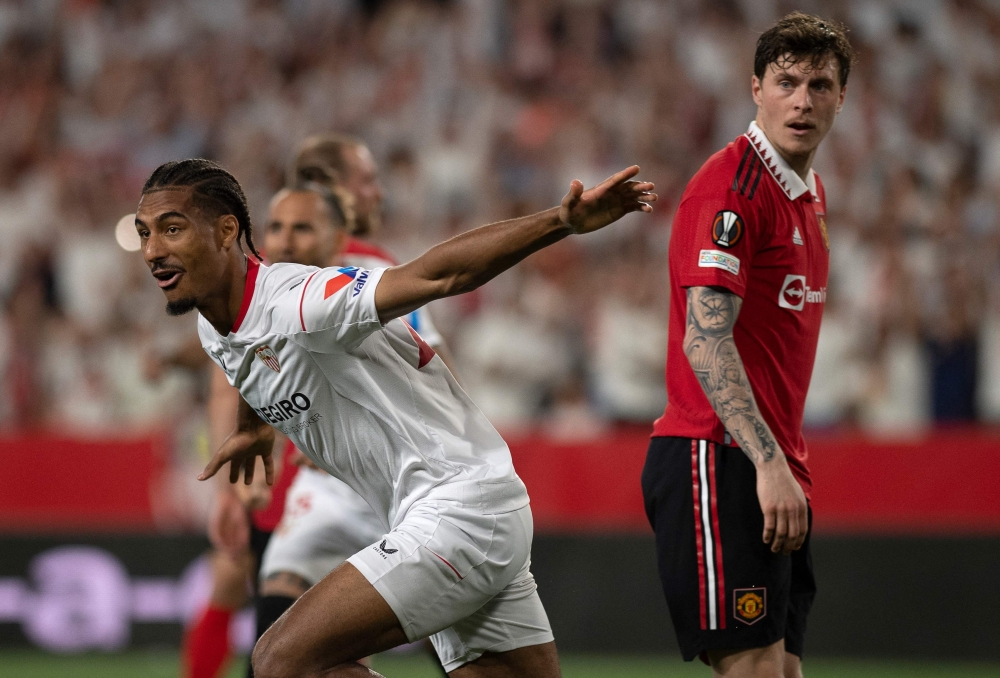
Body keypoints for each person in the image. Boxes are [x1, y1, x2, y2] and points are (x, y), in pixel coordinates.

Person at [135, 158, 655, 677]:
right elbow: (248, 356)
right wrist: (252, 430)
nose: (153, 250)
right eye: (144, 234)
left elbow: (438, 274)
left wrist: (560, 222)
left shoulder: (301, 300)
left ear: (227, 231)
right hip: (461, 510)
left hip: (458, 512)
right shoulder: (215, 325)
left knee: (281, 662)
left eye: (171, 229)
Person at [641, 12, 854, 678]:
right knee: (756, 668)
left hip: (768, 459)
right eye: (786, 81)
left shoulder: (808, 194)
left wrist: (779, 463)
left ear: (841, 97)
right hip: (719, 455)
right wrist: (767, 465)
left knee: (781, 668)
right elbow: (707, 339)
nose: (803, 99)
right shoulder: (733, 191)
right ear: (755, 88)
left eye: (820, 85)